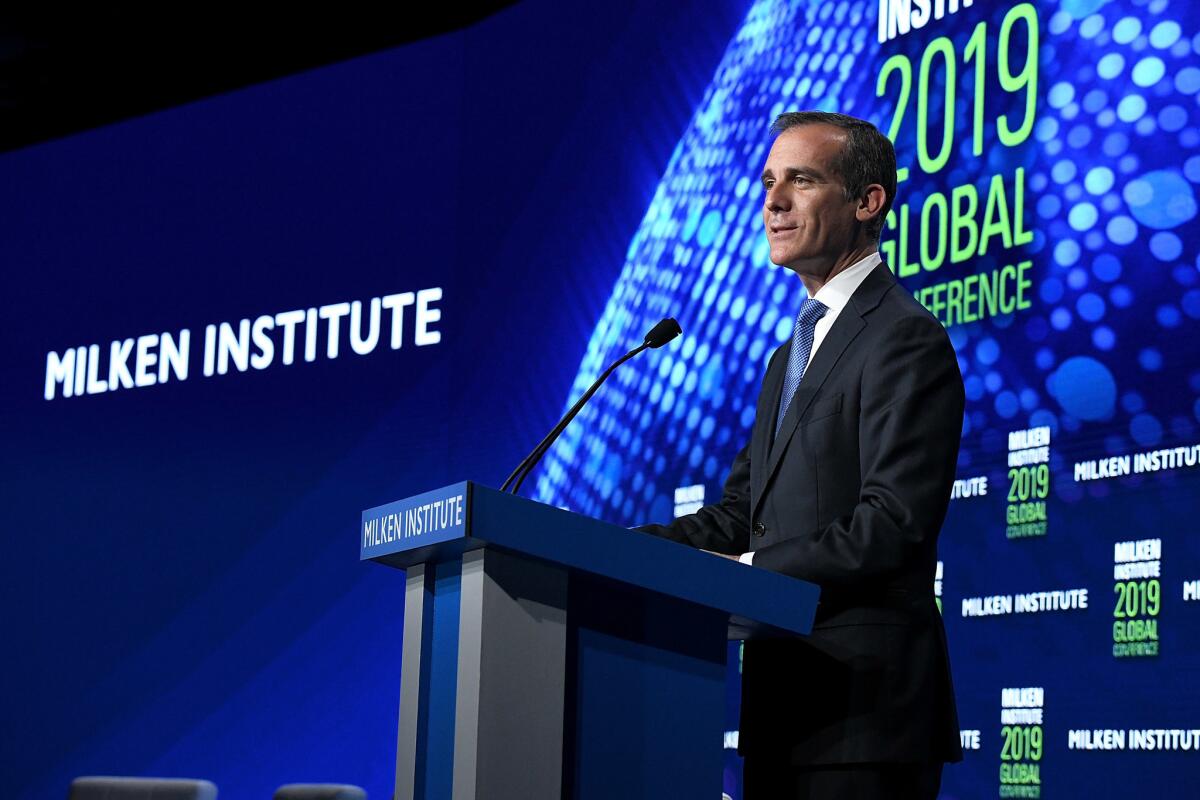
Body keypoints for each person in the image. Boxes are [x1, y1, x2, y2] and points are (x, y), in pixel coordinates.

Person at [636, 111, 964, 799]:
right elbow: (740, 511)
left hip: (865, 716)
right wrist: (634, 550)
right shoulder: (791, 353)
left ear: (868, 202)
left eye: (802, 181)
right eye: (768, 183)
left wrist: (747, 574)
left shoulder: (904, 337)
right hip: (782, 712)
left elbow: (893, 524)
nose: (773, 203)